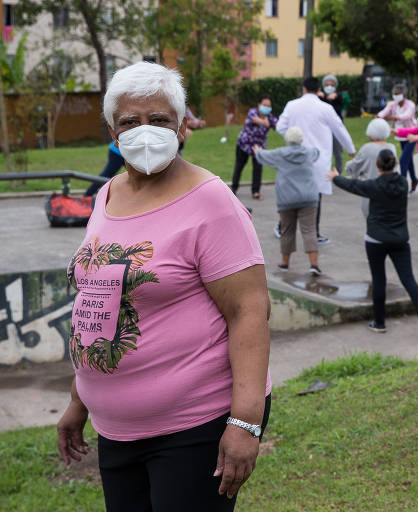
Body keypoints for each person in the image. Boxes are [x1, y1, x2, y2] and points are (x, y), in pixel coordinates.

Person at [58, 62, 271, 512]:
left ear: (182, 128)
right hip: (116, 429)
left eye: (159, 120)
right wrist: (80, 398)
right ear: (113, 135)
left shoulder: (211, 201)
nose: (145, 131)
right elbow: (99, 301)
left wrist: (246, 422)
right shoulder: (108, 194)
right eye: (130, 122)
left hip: (192, 426)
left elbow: (249, 310)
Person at [329, 149, 418, 344]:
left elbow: (353, 185)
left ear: (377, 165)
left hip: (376, 239)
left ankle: (379, 323)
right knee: (409, 280)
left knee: (379, 281)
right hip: (400, 240)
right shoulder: (403, 183)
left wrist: (335, 178)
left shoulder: (374, 186)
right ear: (394, 164)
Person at [277, 76, 356, 245]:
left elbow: (280, 127)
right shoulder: (325, 108)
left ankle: (282, 228)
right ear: (317, 89)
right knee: (315, 197)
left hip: (296, 156)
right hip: (318, 159)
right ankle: (315, 233)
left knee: (292, 193)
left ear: (303, 88)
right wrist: (350, 149)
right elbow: (339, 129)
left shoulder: (292, 105)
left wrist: (292, 137)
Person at [252, 127, 321, 275]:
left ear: (287, 139)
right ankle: (314, 265)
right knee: (309, 230)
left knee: (287, 231)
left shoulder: (280, 154)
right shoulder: (309, 153)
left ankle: (285, 263)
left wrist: (257, 151)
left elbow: (263, 156)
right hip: (309, 198)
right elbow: (317, 153)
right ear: (301, 139)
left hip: (287, 199)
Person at [345, 118, 399, 218]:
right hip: (389, 190)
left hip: (371, 192)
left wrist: (348, 166)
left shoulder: (367, 148)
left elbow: (354, 166)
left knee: (372, 222)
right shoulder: (392, 147)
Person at [232, 94, 277, 200]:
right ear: (259, 104)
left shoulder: (270, 118)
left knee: (258, 168)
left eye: (268, 106)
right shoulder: (252, 112)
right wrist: (265, 123)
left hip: (259, 147)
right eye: (264, 105)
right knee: (239, 166)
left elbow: (278, 125)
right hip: (244, 144)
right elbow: (255, 120)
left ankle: (256, 191)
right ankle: (234, 188)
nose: (267, 108)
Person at [377, 84, 418, 192]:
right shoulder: (392, 104)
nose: (395, 96)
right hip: (400, 135)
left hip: (411, 135)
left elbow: (407, 115)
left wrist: (394, 117)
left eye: (398, 94)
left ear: (404, 94)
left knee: (403, 160)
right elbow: (384, 112)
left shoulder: (410, 105)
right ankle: (414, 180)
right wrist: (379, 116)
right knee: (408, 160)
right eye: (394, 94)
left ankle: (402, 186)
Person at [318, 74, 346, 175]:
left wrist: (336, 97)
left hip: (336, 130)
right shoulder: (320, 98)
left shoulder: (338, 97)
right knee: (324, 153)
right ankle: (324, 173)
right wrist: (322, 97)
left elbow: (340, 105)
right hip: (323, 130)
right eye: (327, 84)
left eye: (332, 85)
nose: (329, 87)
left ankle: (338, 174)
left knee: (338, 153)